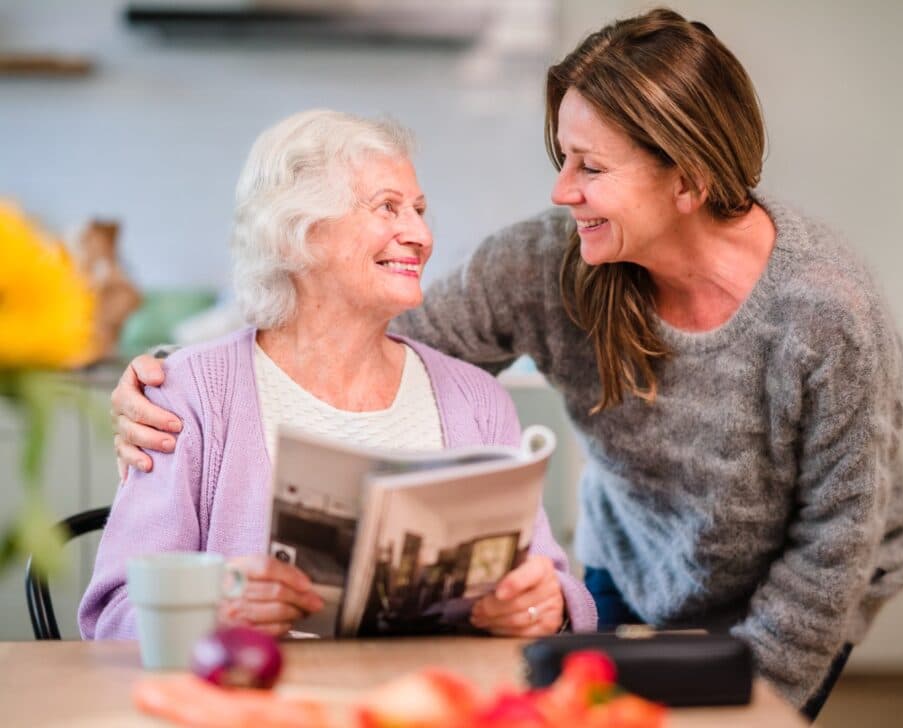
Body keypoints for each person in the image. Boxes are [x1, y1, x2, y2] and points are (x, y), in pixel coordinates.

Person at [107, 8, 903, 719]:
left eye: (591, 167)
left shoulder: (825, 311)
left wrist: (751, 699)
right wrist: (179, 379)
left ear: (689, 179)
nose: (562, 192)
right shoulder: (548, 262)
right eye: (563, 157)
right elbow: (354, 330)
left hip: (800, 596)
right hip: (630, 569)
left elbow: (835, 539)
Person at [80, 109, 596, 641]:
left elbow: (552, 586)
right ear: (293, 235)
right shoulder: (189, 394)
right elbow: (116, 609)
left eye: (419, 210)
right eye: (388, 208)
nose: (419, 233)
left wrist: (542, 606)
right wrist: (212, 615)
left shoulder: (477, 399)